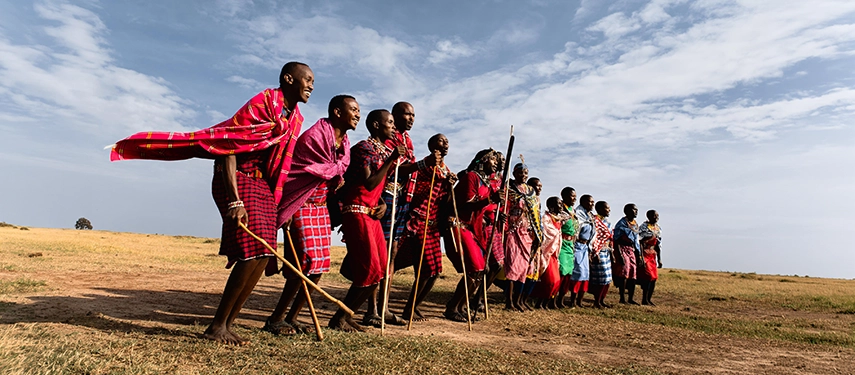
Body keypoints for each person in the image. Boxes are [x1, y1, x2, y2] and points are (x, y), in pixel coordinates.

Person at [110, 62, 313, 345]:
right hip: (237, 179)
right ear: (289, 79)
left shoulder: (294, 119)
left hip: (263, 184)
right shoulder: (263, 103)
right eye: (308, 79)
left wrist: (284, 205)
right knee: (251, 252)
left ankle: (229, 323)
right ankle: (216, 325)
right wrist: (234, 201)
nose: (311, 86)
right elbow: (229, 144)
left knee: (264, 255)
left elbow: (279, 164)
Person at [262, 95, 357, 335]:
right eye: (353, 110)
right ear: (337, 112)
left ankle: (292, 317)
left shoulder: (344, 143)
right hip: (301, 203)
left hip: (321, 207)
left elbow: (335, 171)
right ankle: (275, 319)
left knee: (319, 267)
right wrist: (289, 209)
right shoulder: (315, 136)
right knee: (303, 265)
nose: (357, 114)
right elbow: (297, 173)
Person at [328, 109, 407, 332]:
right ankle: (339, 318)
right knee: (370, 268)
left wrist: (382, 203)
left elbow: (377, 187)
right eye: (389, 123)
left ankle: (345, 315)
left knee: (381, 269)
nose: (393, 126)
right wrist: (392, 159)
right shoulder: (364, 148)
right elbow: (369, 182)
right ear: (375, 125)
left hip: (372, 213)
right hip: (357, 212)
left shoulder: (382, 151)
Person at [365, 102, 435, 327]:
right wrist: (424, 164)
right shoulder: (387, 137)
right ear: (394, 116)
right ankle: (372, 309)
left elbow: (406, 169)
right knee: (381, 251)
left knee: (392, 252)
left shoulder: (408, 141)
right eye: (407, 114)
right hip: (384, 196)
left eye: (414, 114)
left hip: (402, 198)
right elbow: (392, 168)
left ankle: (383, 307)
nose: (411, 118)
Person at [395, 134, 455, 323]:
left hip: (434, 225)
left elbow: (444, 203)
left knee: (435, 270)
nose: (445, 144)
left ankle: (414, 305)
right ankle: (408, 308)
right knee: (425, 268)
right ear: (431, 145)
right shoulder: (424, 166)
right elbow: (415, 191)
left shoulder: (447, 171)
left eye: (446, 141)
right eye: (440, 141)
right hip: (419, 220)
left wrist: (449, 186)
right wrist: (435, 178)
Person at [443, 149, 497, 322]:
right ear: (482, 161)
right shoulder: (471, 177)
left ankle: (460, 306)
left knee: (482, 270)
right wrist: (489, 200)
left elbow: (483, 209)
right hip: (459, 224)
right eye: (492, 160)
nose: (495, 163)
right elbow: (466, 205)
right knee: (475, 268)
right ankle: (452, 307)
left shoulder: (486, 183)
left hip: (472, 229)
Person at [503, 163, 542, 311]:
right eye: (520, 172)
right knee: (513, 266)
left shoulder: (531, 191)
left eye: (526, 173)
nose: (523, 175)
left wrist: (537, 234)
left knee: (524, 269)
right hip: (512, 231)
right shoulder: (508, 188)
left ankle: (518, 301)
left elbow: (536, 214)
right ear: (514, 173)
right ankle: (509, 302)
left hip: (527, 233)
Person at [531, 197, 568, 309]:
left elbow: (567, 216)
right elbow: (546, 233)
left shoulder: (559, 218)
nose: (561, 206)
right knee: (549, 280)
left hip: (554, 253)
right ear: (551, 207)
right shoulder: (546, 218)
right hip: (546, 252)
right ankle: (539, 303)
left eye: (561, 204)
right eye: (559, 204)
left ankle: (545, 303)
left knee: (556, 280)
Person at [568, 194, 596, 308]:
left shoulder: (590, 215)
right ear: (583, 202)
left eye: (593, 202)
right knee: (578, 273)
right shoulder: (578, 213)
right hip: (577, 245)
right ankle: (573, 301)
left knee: (585, 274)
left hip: (585, 247)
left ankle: (580, 301)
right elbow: (576, 229)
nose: (592, 204)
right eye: (590, 202)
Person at [613, 203, 641, 305]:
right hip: (622, 249)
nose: (636, 212)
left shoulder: (635, 224)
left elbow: (636, 240)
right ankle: (622, 298)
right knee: (624, 273)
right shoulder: (621, 224)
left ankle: (631, 298)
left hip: (631, 250)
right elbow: (616, 240)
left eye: (637, 210)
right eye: (634, 210)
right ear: (627, 211)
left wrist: (639, 254)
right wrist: (619, 255)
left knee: (633, 274)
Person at [555, 187, 577, 308]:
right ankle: (553, 298)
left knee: (568, 272)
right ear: (564, 196)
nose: (574, 199)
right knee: (562, 271)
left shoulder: (571, 210)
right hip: (561, 242)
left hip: (570, 244)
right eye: (572, 196)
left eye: (575, 196)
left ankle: (561, 300)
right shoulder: (560, 209)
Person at [588, 201, 614, 309]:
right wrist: (595, 253)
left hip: (606, 251)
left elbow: (609, 237)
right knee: (601, 277)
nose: (609, 210)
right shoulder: (594, 221)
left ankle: (602, 300)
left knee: (607, 278)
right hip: (598, 252)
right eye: (607, 208)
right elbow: (593, 238)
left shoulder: (606, 222)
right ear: (600, 209)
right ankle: (597, 301)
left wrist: (612, 253)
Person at [638, 210, 662, 306]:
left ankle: (649, 299)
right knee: (648, 276)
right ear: (649, 216)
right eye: (654, 216)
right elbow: (640, 242)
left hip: (653, 254)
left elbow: (658, 245)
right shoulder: (643, 227)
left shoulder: (658, 228)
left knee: (654, 278)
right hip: (645, 253)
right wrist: (641, 256)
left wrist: (659, 259)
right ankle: (644, 299)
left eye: (657, 216)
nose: (656, 218)